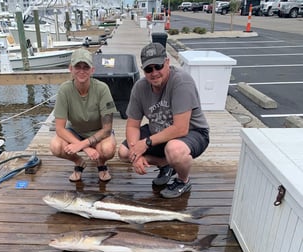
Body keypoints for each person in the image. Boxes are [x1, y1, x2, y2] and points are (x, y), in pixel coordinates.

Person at [118, 42, 210, 198]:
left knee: (174, 150)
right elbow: (132, 125)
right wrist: (136, 153)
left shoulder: (182, 82)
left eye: (158, 66)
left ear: (167, 62)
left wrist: (145, 143)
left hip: (193, 132)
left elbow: (181, 128)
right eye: (148, 69)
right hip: (158, 131)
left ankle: (183, 180)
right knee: (124, 152)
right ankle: (165, 164)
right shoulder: (140, 87)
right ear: (143, 70)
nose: (154, 73)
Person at [50, 48, 117, 183]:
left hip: (99, 132)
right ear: (71, 69)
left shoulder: (102, 89)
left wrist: (81, 145)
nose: (82, 71)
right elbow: (60, 128)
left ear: (92, 70)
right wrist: (84, 148)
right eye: (77, 67)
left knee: (108, 149)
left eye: (86, 67)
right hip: (75, 131)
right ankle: (78, 162)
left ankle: (101, 163)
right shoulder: (64, 90)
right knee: (55, 146)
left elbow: (107, 129)